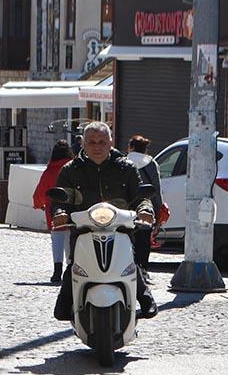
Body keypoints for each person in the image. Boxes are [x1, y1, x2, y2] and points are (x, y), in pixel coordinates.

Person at [52, 122, 157, 322]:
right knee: (75, 264)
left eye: (102, 141)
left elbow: (140, 195)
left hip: (120, 228)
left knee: (130, 261)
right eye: (91, 142)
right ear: (83, 143)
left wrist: (145, 209)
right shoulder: (71, 170)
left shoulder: (125, 167)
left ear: (110, 142)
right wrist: (59, 213)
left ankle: (144, 297)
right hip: (84, 229)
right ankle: (64, 302)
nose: (97, 146)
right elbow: (60, 198)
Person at [32, 139, 74, 283]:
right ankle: (71, 270)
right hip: (73, 210)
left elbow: (40, 193)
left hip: (54, 211)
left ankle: (57, 271)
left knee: (57, 240)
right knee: (70, 240)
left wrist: (38, 205)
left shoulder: (50, 171)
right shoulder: (74, 169)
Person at [125, 135, 162, 276]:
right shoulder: (151, 164)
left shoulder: (124, 161)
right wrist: (158, 213)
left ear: (132, 147)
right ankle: (142, 270)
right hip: (147, 208)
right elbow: (156, 190)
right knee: (144, 241)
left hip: (126, 208)